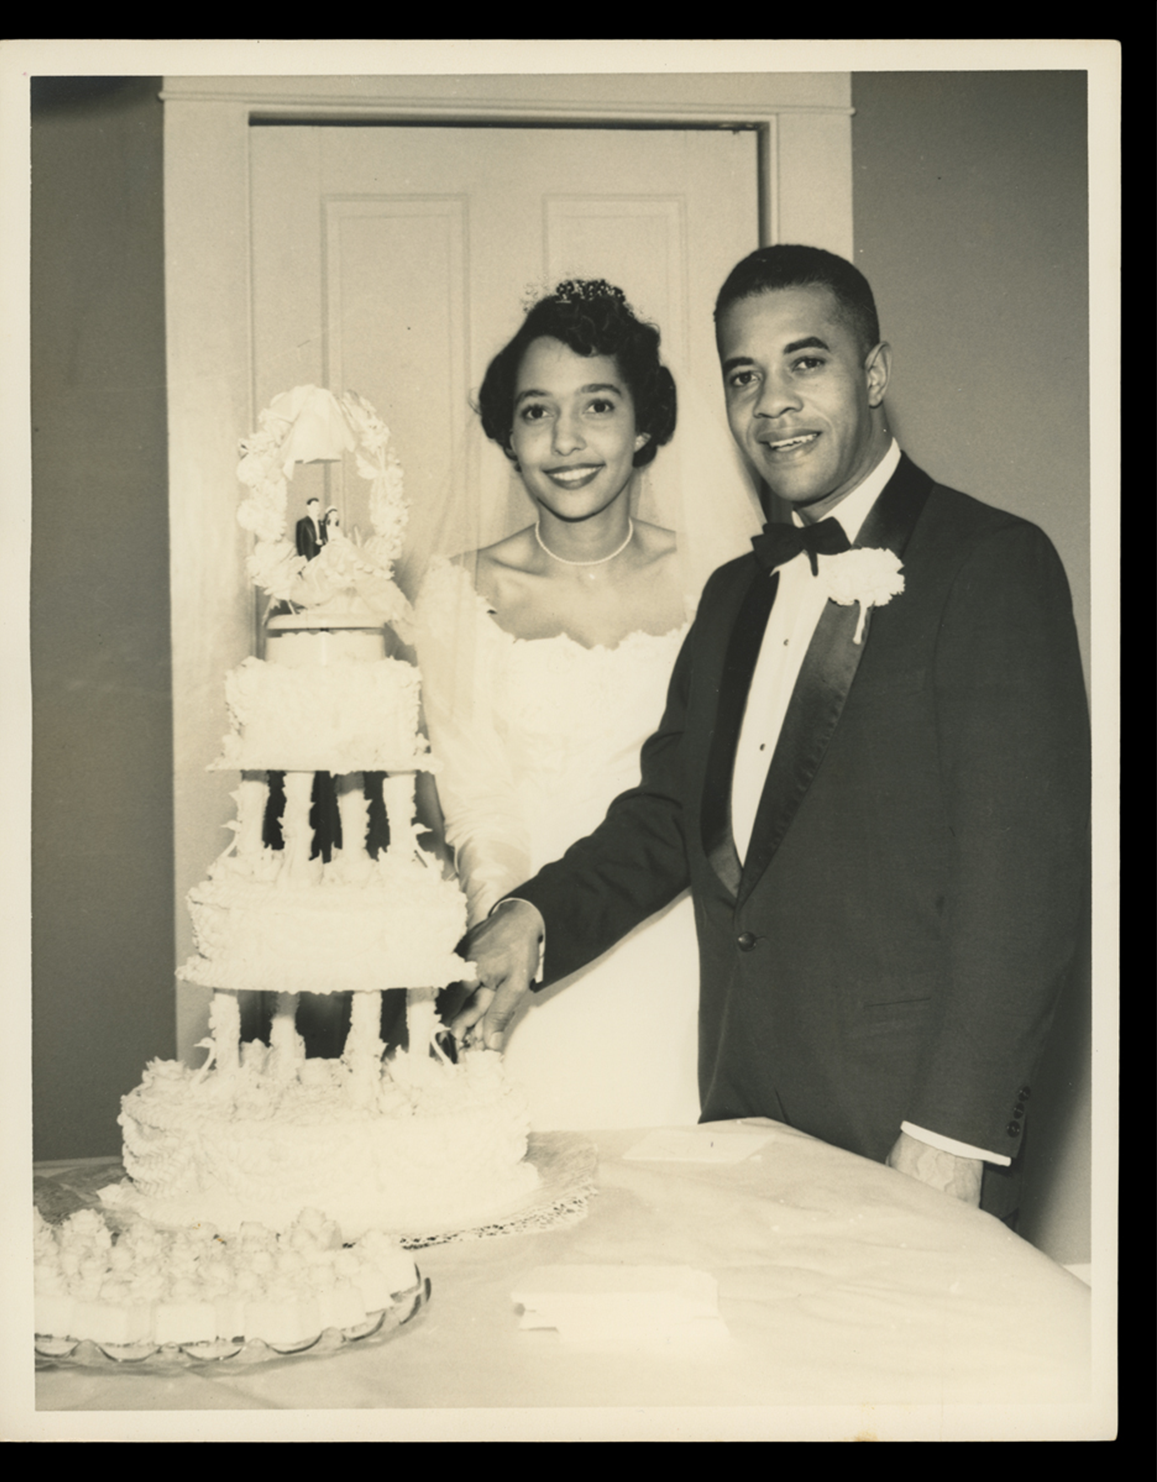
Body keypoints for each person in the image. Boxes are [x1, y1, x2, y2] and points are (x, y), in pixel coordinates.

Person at [455, 246, 1090, 1219]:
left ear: (874, 373)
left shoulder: (993, 566)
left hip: (907, 1135)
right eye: (745, 377)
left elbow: (1025, 893)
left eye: (807, 362)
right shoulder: (733, 595)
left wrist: (950, 1138)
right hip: (743, 1119)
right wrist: (535, 918)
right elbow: (671, 817)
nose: (773, 404)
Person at [414, 279, 760, 1129]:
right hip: (519, 954)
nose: (565, 440)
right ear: (507, 435)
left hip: (686, 965)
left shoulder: (724, 581)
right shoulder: (458, 593)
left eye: (596, 405)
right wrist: (509, 931)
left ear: (644, 427)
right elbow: (477, 799)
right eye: (536, 412)